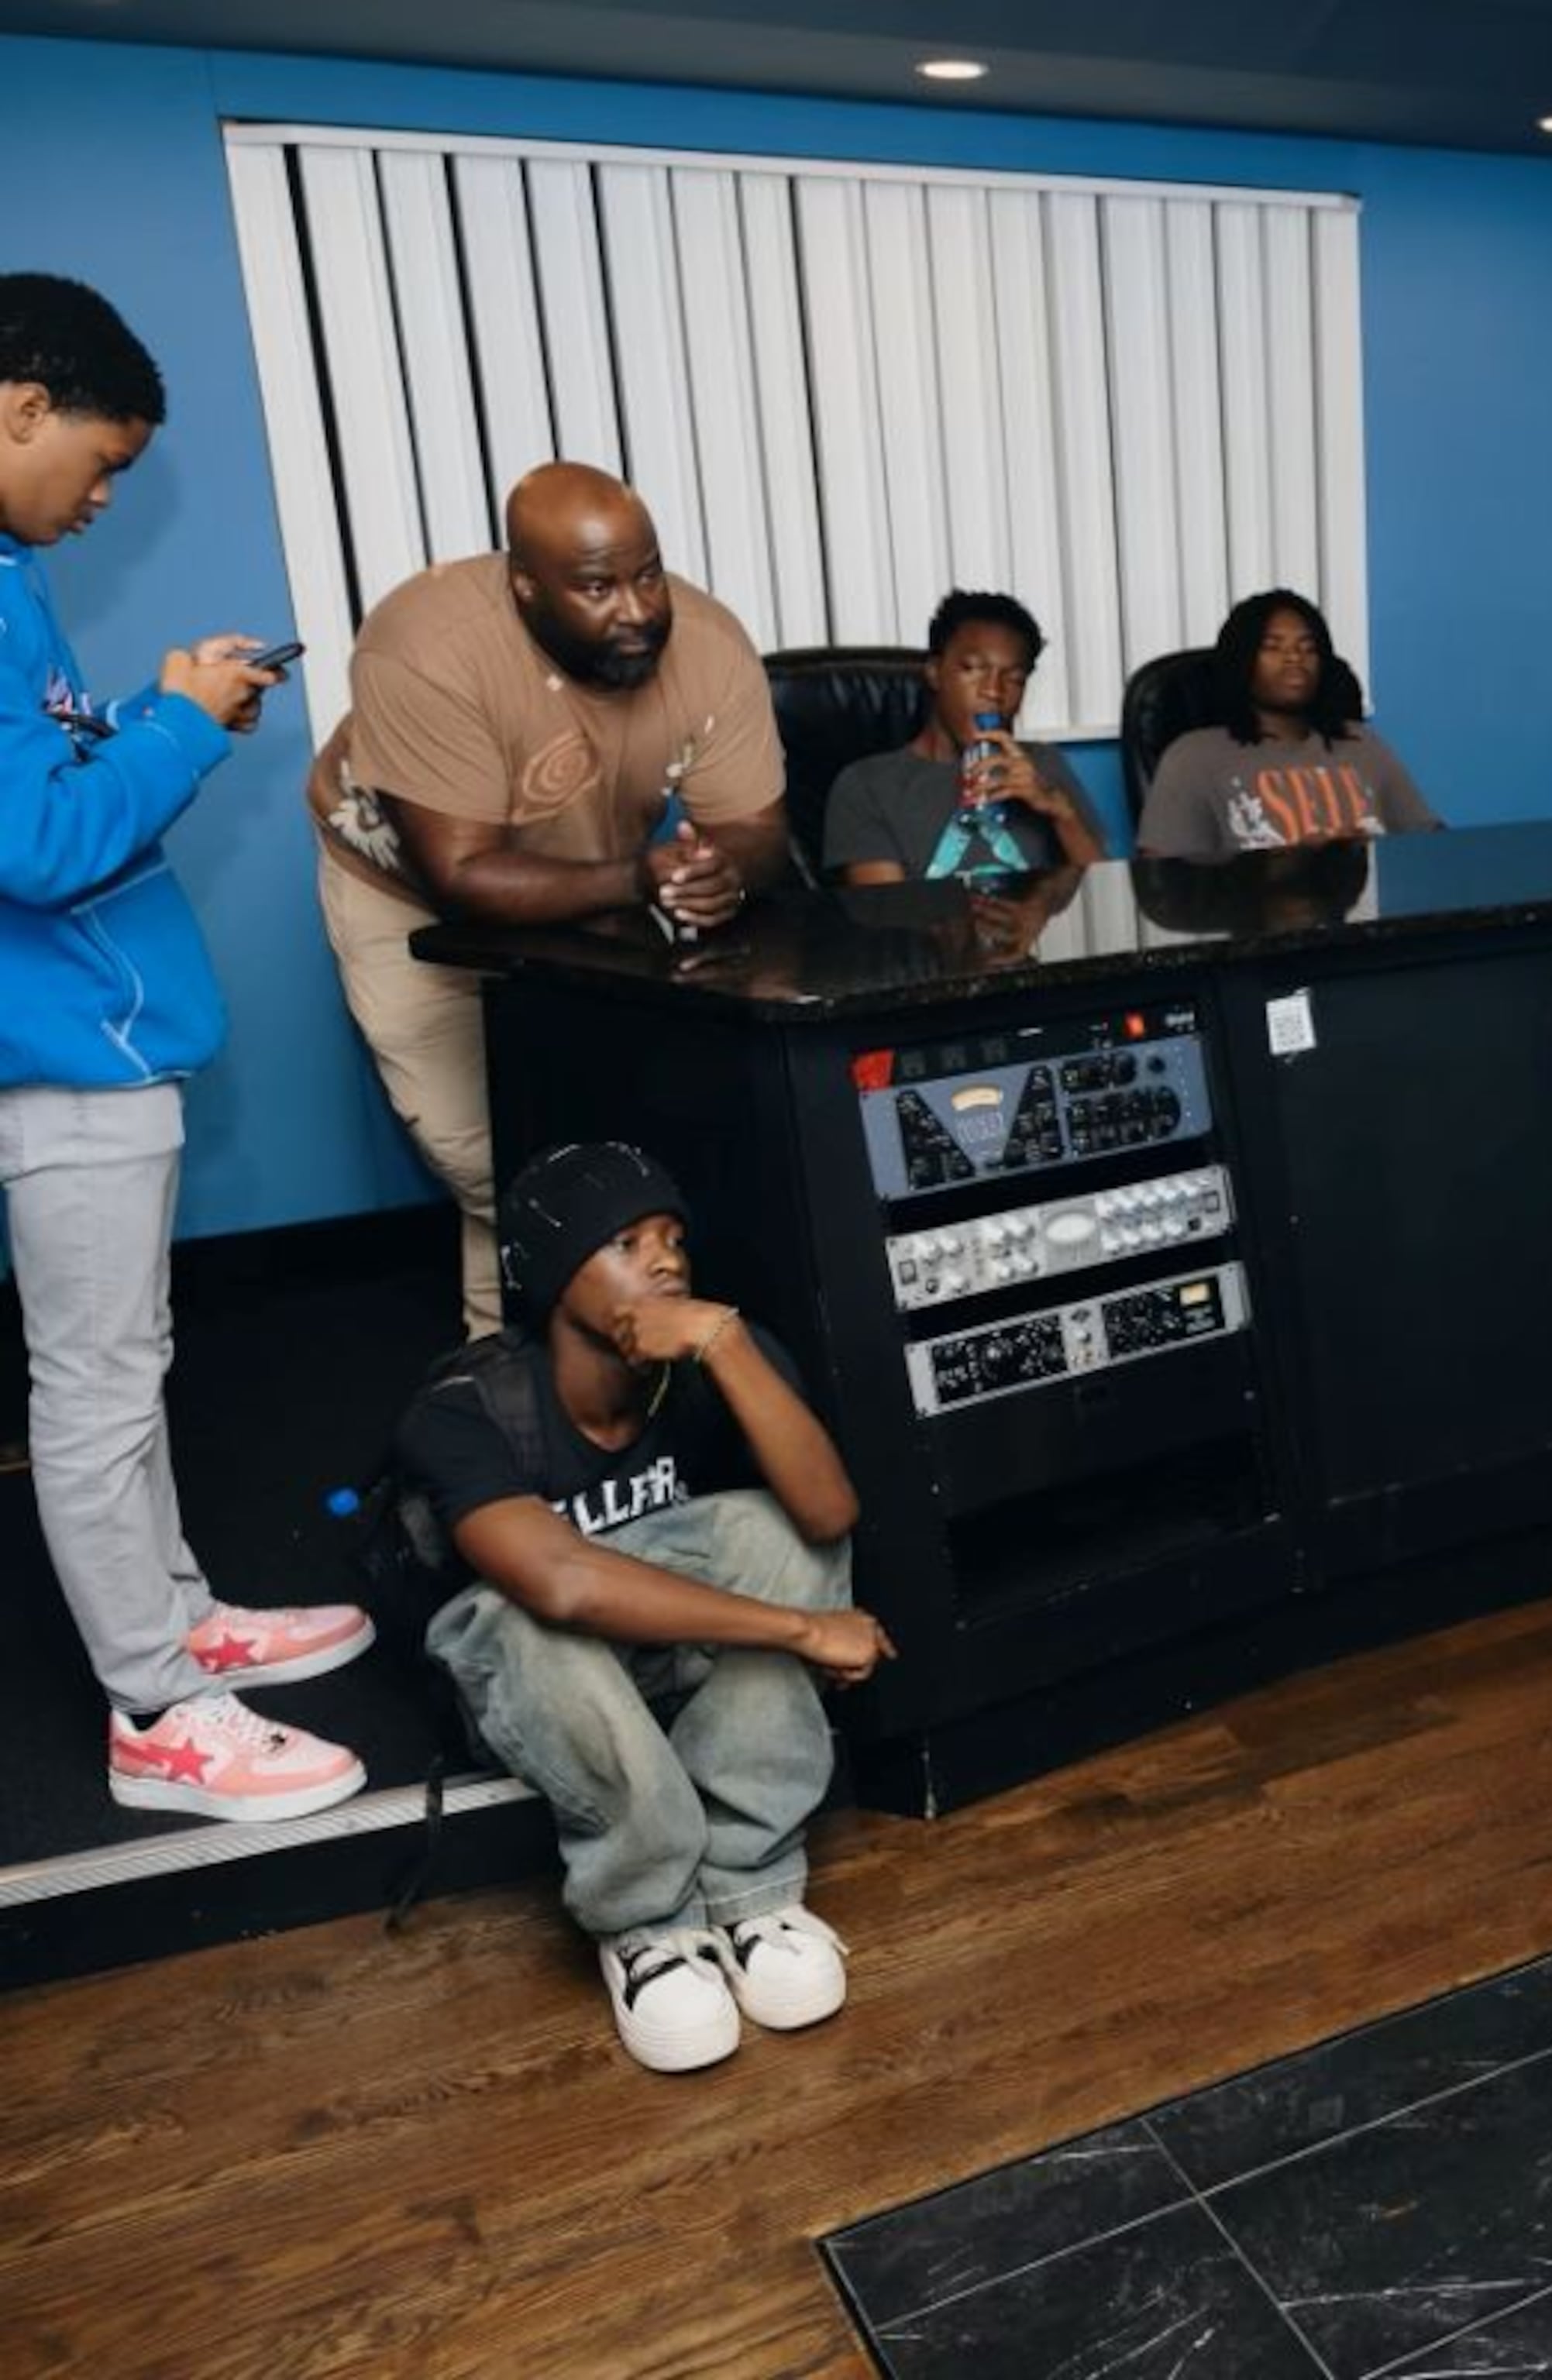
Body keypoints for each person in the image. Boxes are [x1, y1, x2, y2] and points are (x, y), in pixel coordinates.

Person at [0, 273, 373, 1823]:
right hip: (60, 1062)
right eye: (99, 462)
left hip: (90, 1050)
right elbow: (34, 841)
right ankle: (157, 1711)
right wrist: (181, 727)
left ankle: (178, 1620)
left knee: (126, 1371)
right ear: (19, 405)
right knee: (92, 1390)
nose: (99, 500)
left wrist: (146, 707)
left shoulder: (10, 580)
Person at [395, 1141, 893, 2073]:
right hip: (548, 1681)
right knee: (517, 1612)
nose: (665, 1261)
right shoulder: (465, 1409)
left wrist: (731, 1345)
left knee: (781, 1531)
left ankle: (750, 1890)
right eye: (626, 1242)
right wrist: (799, 1628)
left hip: (670, 1650)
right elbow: (563, 1584)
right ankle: (648, 1923)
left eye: (673, 1239)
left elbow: (830, 1513)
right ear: (553, 1279)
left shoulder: (713, 1354)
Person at [310, 463, 793, 1337]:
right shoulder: (423, 643)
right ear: (524, 585)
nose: (639, 609)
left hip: (592, 877)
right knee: (495, 1161)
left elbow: (757, 829)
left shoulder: (711, 645)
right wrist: (640, 878)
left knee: (600, 1143)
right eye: (599, 588)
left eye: (647, 574)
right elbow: (461, 876)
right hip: (414, 896)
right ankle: (510, 1395)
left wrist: (725, 866)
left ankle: (609, 1395)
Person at [821, 590, 1106, 886]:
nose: (994, 691)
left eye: (1015, 679)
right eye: (973, 669)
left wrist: (1062, 812)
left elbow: (1103, 891)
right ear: (934, 673)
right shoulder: (869, 785)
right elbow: (888, 919)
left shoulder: (1043, 766)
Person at [1137, 589, 1440, 859]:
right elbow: (1163, 884)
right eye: (1273, 647)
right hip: (1255, 919)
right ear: (1242, 661)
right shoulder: (1193, 757)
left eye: (1308, 648)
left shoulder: (1362, 744)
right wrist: (1286, 864)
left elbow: (1430, 842)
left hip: (1367, 915)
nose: (1295, 658)